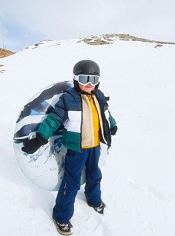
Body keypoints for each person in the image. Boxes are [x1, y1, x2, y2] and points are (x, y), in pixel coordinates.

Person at [22, 60, 117, 235]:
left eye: (93, 79)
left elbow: (106, 113)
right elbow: (53, 120)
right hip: (77, 149)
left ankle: (94, 199)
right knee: (71, 182)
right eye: (84, 79)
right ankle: (62, 216)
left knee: (94, 174)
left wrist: (111, 125)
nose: (89, 84)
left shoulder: (99, 96)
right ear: (75, 80)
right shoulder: (68, 99)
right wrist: (40, 138)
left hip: (95, 147)